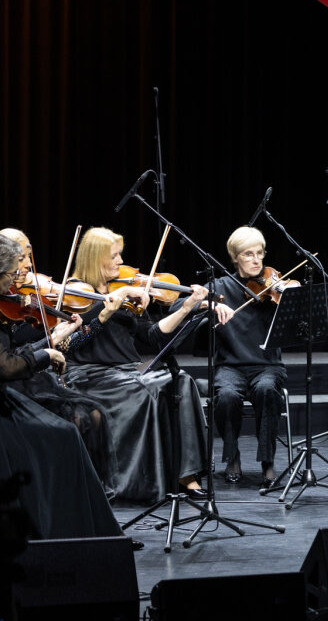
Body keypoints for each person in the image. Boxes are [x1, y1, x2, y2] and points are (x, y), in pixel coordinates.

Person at [59, 226, 210, 503]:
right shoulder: (75, 292)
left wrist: (187, 308)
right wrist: (106, 312)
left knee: (182, 382)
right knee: (144, 391)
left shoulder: (124, 290)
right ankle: (145, 482)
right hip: (91, 375)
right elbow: (70, 344)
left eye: (120, 254)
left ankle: (186, 475)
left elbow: (151, 336)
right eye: (114, 256)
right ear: (95, 259)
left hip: (127, 371)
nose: (120, 261)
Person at [0, 234, 125, 541]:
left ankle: (93, 517)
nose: (22, 272)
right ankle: (70, 525)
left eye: (26, 259)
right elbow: (8, 365)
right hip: (17, 388)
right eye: (16, 267)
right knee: (70, 429)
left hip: (21, 382)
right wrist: (48, 350)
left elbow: (19, 356)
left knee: (89, 418)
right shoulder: (9, 306)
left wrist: (54, 340)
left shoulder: (18, 300)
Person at [189, 226, 290, 489]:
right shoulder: (221, 287)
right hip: (230, 366)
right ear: (235, 258)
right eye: (248, 254)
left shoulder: (274, 288)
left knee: (267, 390)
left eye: (260, 253)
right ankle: (231, 456)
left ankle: (267, 460)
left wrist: (286, 294)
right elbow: (181, 305)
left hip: (268, 365)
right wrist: (208, 303)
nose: (257, 260)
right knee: (226, 396)